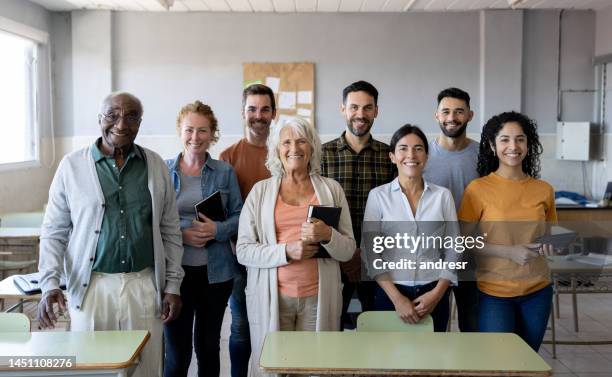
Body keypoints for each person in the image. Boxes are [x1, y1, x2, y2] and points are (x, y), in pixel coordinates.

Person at [37, 92, 184, 377]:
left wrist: (173, 286)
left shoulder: (155, 166)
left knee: (144, 367)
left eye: (131, 116)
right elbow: (54, 231)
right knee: (91, 368)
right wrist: (49, 284)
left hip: (143, 285)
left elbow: (170, 231)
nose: (121, 123)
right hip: (91, 286)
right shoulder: (71, 166)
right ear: (99, 119)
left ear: (140, 122)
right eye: (112, 115)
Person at [236, 117, 355, 377]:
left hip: (317, 299)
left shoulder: (331, 190)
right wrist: (286, 251)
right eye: (286, 142)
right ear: (277, 150)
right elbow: (243, 250)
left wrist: (328, 235)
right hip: (274, 298)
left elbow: (348, 250)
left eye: (302, 141)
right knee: (275, 368)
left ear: (312, 147)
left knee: (314, 368)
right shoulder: (261, 192)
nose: (294, 148)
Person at [458, 111, 556, 351]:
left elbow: (548, 234)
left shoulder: (544, 189)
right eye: (505, 139)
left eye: (520, 139)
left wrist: (550, 244)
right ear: (492, 145)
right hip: (494, 293)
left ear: (528, 144)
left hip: (538, 291)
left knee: (526, 360)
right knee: (498, 360)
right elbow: (464, 241)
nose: (513, 146)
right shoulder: (477, 189)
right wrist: (508, 252)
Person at [164, 101, 243, 377]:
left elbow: (239, 217)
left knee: (208, 348)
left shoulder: (224, 172)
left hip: (217, 275)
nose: (195, 137)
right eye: (189, 130)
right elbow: (154, 222)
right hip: (176, 276)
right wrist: (182, 235)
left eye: (202, 131)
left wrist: (217, 231)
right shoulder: (163, 170)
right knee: (176, 353)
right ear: (179, 131)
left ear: (212, 134)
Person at [363, 124, 458, 332]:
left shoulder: (443, 196)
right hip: (390, 293)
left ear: (426, 155)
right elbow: (372, 254)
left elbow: (454, 248)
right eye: (403, 148)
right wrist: (397, 299)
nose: (411, 155)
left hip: (433, 292)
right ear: (392, 156)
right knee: (390, 357)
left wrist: (437, 294)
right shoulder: (378, 196)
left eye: (418, 148)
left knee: (433, 358)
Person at [321, 80, 395, 329]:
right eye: (354, 107)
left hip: (376, 260)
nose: (360, 114)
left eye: (367, 108)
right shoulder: (322, 155)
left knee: (377, 328)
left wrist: (364, 253)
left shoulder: (390, 157)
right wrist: (344, 252)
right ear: (343, 109)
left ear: (376, 111)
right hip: (332, 257)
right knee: (332, 328)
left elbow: (395, 212)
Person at [219, 84, 275, 377]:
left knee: (275, 326)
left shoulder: (284, 152)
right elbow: (224, 212)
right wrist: (234, 246)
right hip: (239, 259)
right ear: (243, 113)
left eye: (265, 109)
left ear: (273, 113)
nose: (258, 115)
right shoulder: (227, 157)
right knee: (240, 327)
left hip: (280, 256)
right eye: (252, 109)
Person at [422, 87, 479, 332]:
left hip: (473, 256)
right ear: (436, 115)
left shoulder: (484, 154)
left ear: (470, 115)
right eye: (445, 111)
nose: (451, 117)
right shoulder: (423, 155)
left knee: (473, 327)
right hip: (433, 256)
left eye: (459, 112)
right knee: (434, 327)